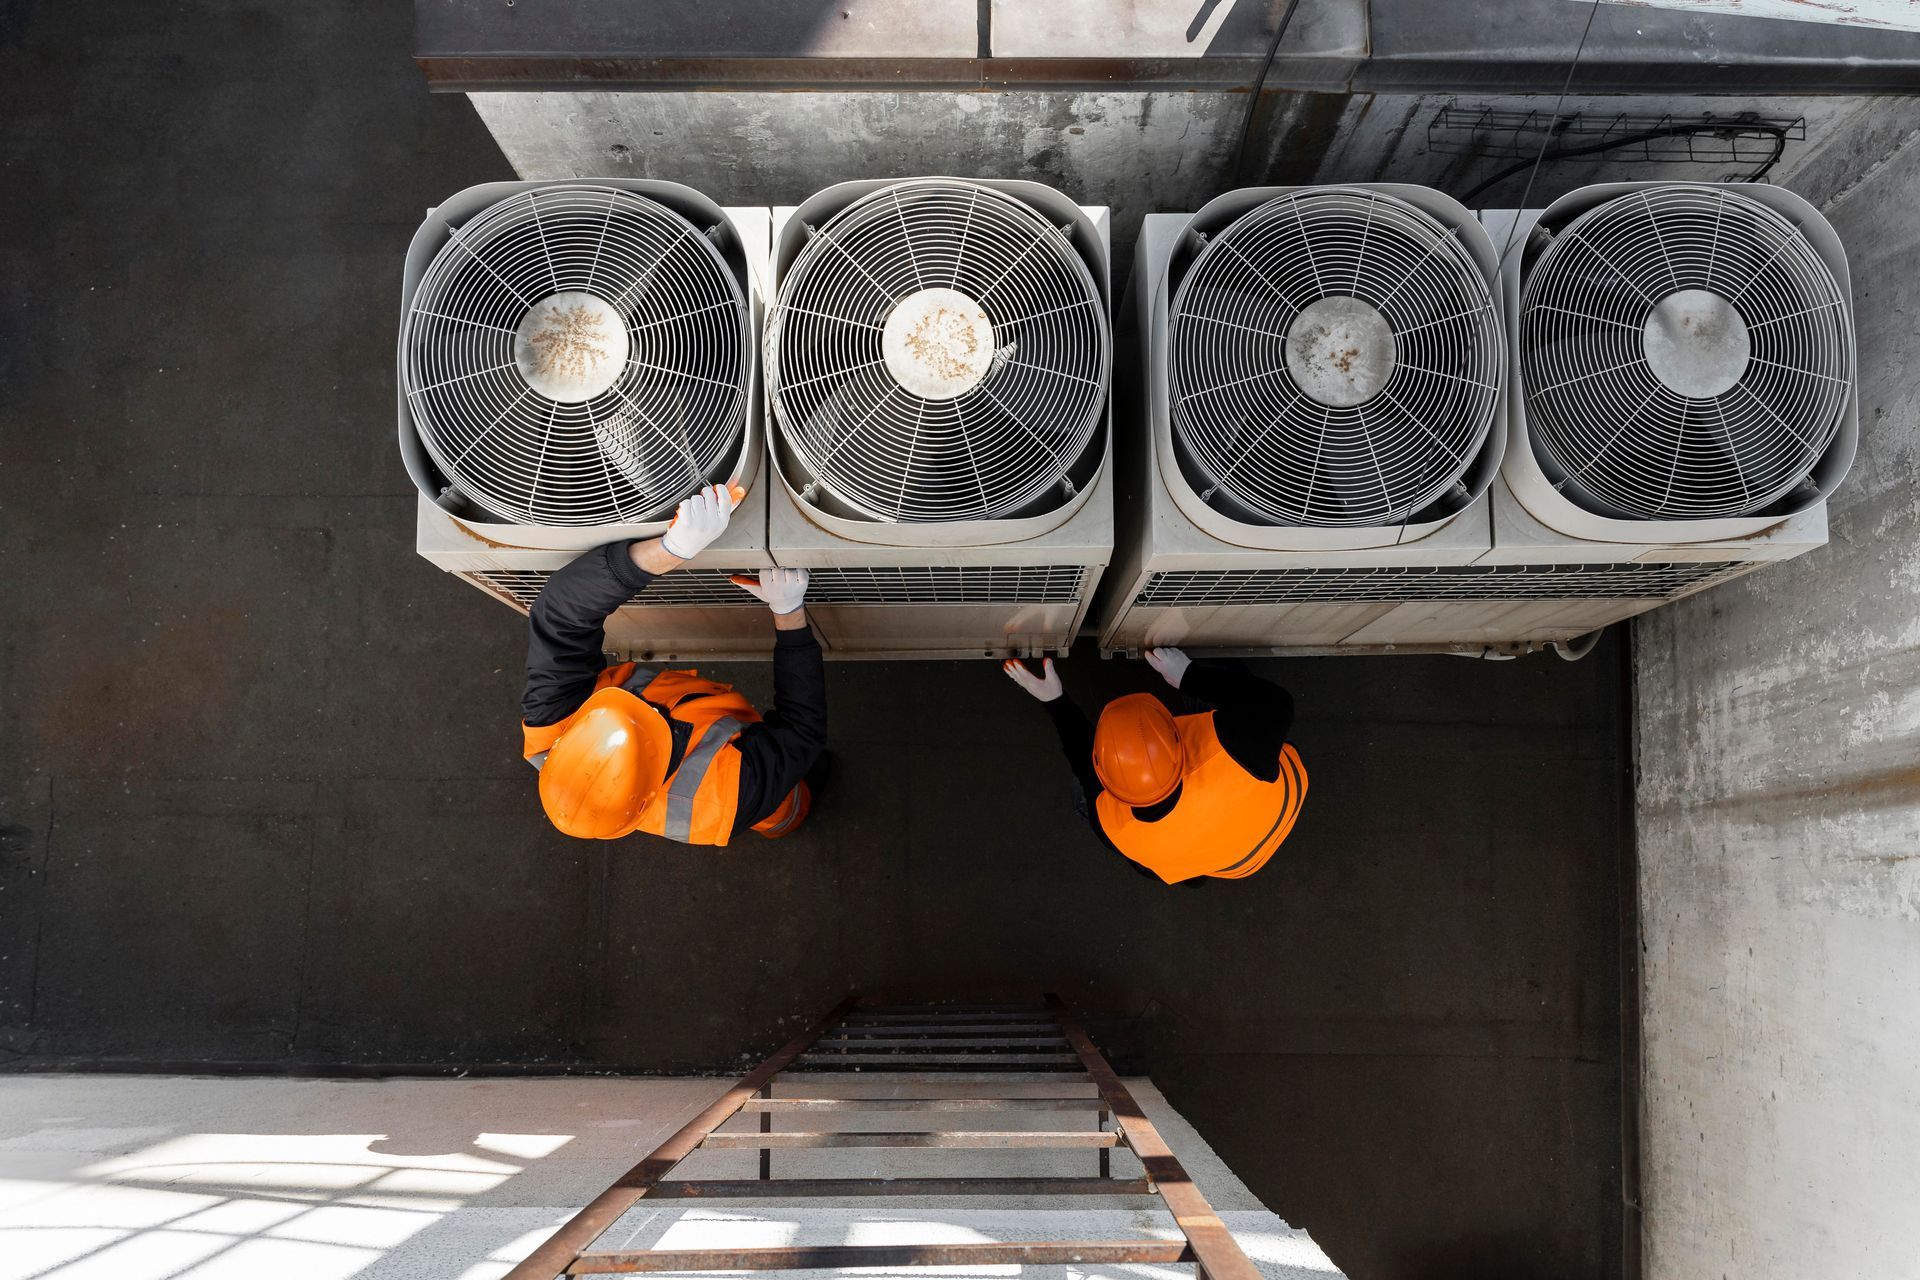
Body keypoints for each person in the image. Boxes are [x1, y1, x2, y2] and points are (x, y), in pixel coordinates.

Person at [520, 483, 827, 845]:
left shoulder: (553, 724)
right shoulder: (728, 799)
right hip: (755, 793)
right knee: (787, 802)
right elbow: (801, 728)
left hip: (723, 740)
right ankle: (791, 816)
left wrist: (668, 550)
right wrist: (789, 615)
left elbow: (560, 614)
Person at [1002, 647, 1305, 884]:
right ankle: (1205, 661)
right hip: (1274, 808)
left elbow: (1082, 760)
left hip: (1233, 865)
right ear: (1176, 740)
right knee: (1229, 687)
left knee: (1084, 794)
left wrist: (1055, 701)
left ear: (1104, 773)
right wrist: (1188, 676)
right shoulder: (1235, 747)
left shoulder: (1119, 830)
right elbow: (1276, 703)